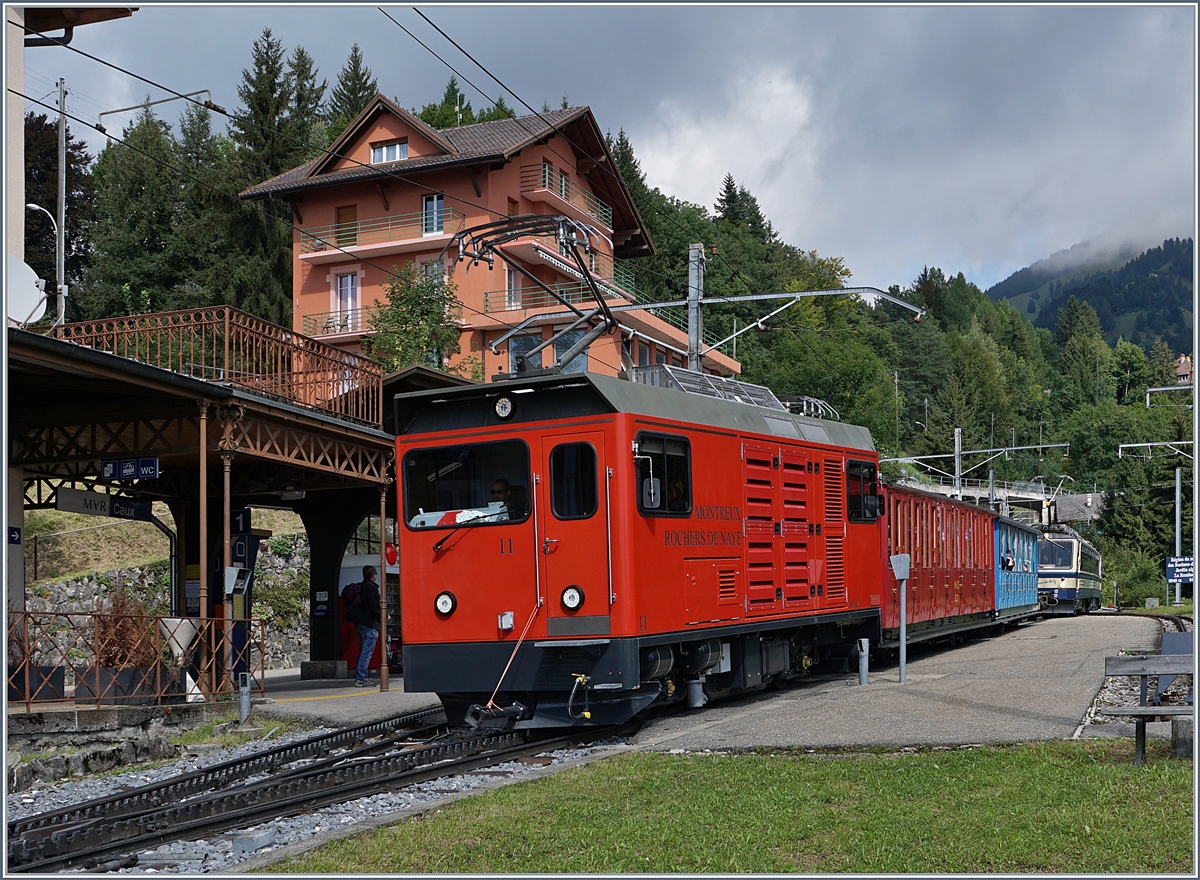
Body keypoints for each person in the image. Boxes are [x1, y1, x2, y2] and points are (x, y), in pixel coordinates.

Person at [346, 565, 382, 688]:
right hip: (369, 624)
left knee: (363, 652)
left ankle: (361, 676)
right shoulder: (370, 588)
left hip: (361, 624)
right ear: (373, 575)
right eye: (376, 574)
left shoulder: (361, 587)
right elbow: (374, 606)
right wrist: (382, 615)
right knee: (366, 653)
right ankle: (361, 678)